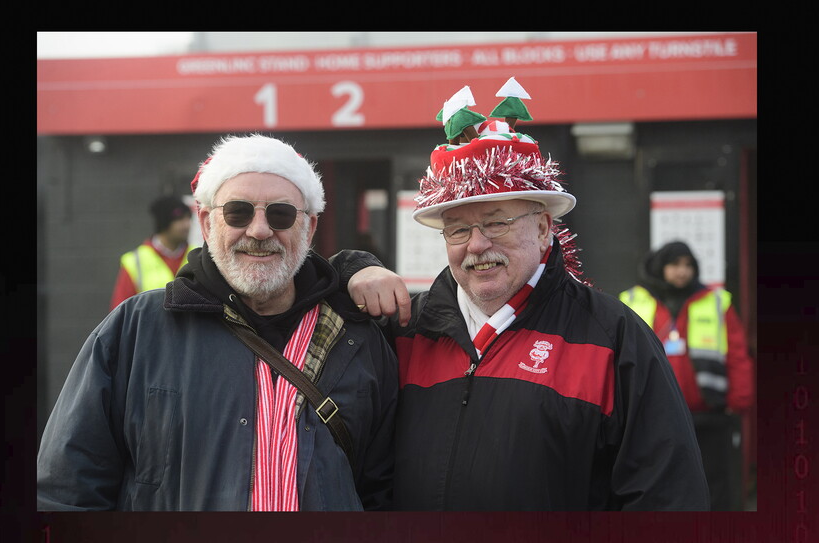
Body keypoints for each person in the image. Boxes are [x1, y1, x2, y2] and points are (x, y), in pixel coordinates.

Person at [332, 79, 710, 510]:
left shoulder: (613, 338)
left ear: (544, 227)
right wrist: (352, 267)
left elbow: (667, 497)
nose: (476, 245)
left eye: (497, 223)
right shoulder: (403, 332)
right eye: (458, 229)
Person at [38, 134, 398, 511]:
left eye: (280, 214)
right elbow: (67, 493)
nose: (259, 231)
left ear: (308, 228)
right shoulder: (133, 331)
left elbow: (384, 494)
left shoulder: (357, 337)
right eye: (238, 212)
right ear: (208, 224)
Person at [619, 240, 754, 510]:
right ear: (659, 267)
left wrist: (739, 400)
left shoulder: (716, 301)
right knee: (663, 486)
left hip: (708, 414)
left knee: (715, 484)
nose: (682, 271)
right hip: (653, 415)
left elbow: (737, 353)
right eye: (675, 264)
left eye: (688, 265)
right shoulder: (631, 300)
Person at [109, 194, 197, 310]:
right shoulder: (135, 261)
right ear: (163, 222)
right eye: (179, 219)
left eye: (188, 218)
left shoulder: (198, 256)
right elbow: (121, 312)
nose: (187, 225)